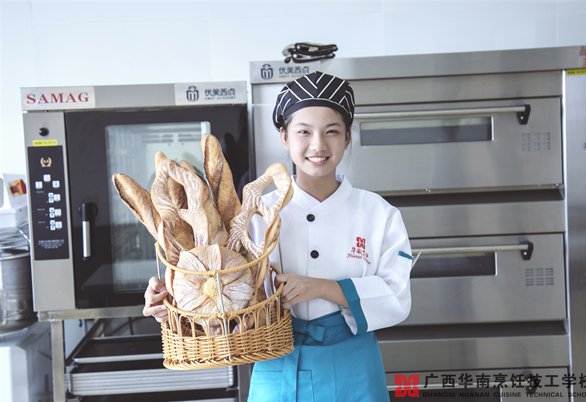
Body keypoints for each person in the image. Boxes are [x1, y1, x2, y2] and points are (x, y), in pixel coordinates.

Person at [143, 71, 413, 402]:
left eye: (331, 131)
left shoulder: (379, 214)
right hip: (277, 364)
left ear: (347, 137)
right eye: (304, 132)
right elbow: (222, 295)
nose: (318, 145)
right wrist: (172, 302)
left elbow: (397, 296)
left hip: (353, 371)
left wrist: (321, 288)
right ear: (284, 137)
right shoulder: (253, 214)